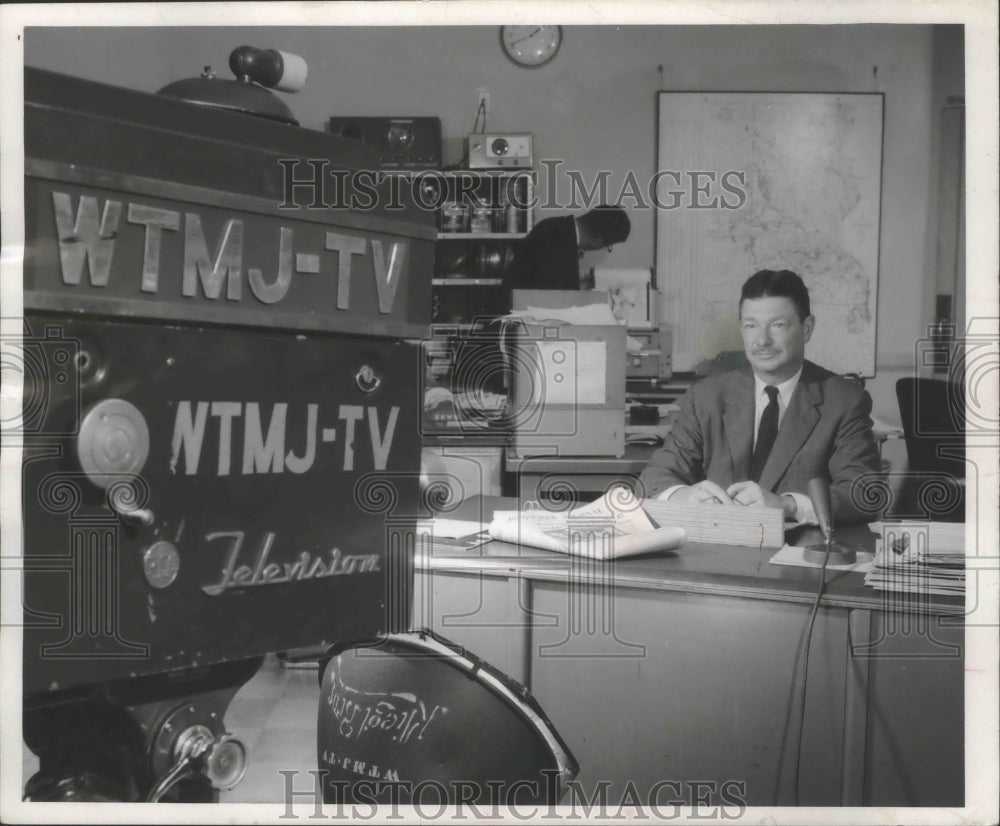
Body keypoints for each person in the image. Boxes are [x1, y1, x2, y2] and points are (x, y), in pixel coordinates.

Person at [638, 269, 883, 526]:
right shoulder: (707, 396)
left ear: (807, 329)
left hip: (796, 556)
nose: (762, 340)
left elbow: (865, 495)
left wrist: (787, 506)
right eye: (751, 325)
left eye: (778, 325)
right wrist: (684, 496)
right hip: (715, 550)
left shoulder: (843, 401)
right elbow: (654, 479)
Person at [503, 205, 631, 291]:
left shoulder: (552, 225)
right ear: (599, 241)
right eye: (607, 246)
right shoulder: (562, 249)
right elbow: (564, 302)